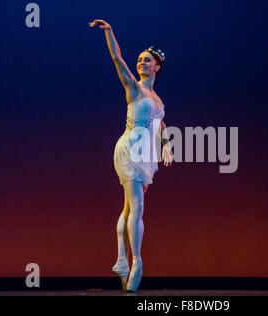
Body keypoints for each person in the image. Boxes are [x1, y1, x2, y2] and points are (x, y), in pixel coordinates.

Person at [89, 19, 173, 293]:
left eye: (147, 60)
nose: (141, 63)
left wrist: (167, 146)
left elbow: (160, 125)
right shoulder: (134, 89)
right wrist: (109, 31)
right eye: (139, 60)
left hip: (146, 153)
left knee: (128, 208)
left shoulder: (157, 99)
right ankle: (136, 261)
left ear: (157, 66)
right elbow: (117, 58)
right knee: (137, 207)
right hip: (130, 148)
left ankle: (122, 260)